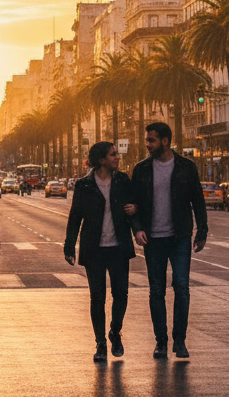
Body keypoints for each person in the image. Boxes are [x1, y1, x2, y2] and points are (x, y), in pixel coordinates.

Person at [131, 121, 208, 360]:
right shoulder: (141, 169)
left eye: (151, 140)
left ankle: (180, 341)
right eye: (147, 139)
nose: (147, 144)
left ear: (165, 141)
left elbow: (198, 201)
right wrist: (137, 229)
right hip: (153, 239)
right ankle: (161, 342)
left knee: (182, 287)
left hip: (180, 237)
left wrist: (202, 232)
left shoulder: (186, 167)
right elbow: (133, 204)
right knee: (156, 290)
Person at [63, 141, 140, 363]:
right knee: (97, 298)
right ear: (101, 160)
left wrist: (136, 214)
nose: (117, 157)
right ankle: (100, 343)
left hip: (118, 247)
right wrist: (69, 246)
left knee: (121, 295)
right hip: (94, 249)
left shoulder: (123, 180)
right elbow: (75, 216)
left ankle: (115, 331)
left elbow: (134, 207)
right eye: (113, 154)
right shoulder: (84, 185)